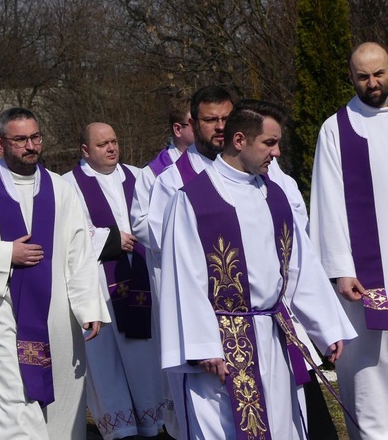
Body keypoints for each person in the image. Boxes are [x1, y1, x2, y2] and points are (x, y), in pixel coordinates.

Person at [160, 100, 355, 438]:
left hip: (272, 335)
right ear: (239, 140)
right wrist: (203, 345)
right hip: (221, 345)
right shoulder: (193, 199)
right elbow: (183, 277)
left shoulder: (275, 196)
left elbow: (298, 267)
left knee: (281, 426)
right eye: (269, 143)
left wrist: (326, 326)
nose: (277, 152)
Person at [0, 107, 110, 440]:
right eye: (20, 139)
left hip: (57, 321)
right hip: (0, 322)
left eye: (35, 137)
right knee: (13, 416)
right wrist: (7, 253)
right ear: (1, 143)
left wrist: (89, 305)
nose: (30, 146)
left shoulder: (61, 190)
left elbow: (80, 252)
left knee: (62, 414)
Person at [62, 123, 165, 439]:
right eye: (102, 144)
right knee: (108, 364)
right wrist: (109, 240)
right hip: (99, 289)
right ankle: (123, 429)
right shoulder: (68, 185)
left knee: (147, 357)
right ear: (85, 150)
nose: (111, 148)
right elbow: (69, 233)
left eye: (114, 142)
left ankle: (155, 424)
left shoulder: (139, 176)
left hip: (144, 281)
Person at [310, 41, 388, 439]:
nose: (372, 83)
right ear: (351, 78)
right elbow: (327, 200)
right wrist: (340, 269)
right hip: (366, 276)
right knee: (369, 373)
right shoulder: (337, 128)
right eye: (363, 76)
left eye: (379, 73)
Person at [145, 101, 195, 180]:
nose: (202, 127)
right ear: (178, 129)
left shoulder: (215, 160)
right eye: (194, 124)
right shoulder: (151, 175)